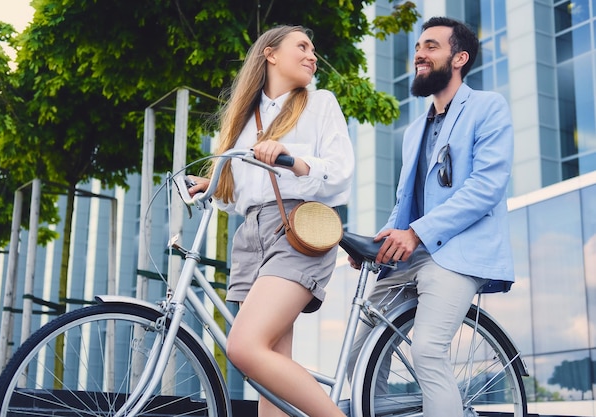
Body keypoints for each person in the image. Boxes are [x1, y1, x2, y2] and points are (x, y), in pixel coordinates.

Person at [346, 16, 514, 416]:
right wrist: (380, 241)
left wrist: (416, 234)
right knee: (359, 354)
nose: (420, 54)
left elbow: (485, 187)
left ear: (460, 58)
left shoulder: (488, 107)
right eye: (419, 47)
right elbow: (408, 201)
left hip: (457, 254)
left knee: (427, 349)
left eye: (431, 47)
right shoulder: (413, 131)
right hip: (413, 254)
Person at [188, 25, 354, 417]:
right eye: (303, 46)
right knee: (267, 372)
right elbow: (241, 194)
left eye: (313, 48)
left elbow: (341, 172)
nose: (313, 55)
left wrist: (291, 157)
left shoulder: (320, 102)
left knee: (244, 347)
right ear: (271, 54)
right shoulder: (243, 118)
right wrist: (212, 184)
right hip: (251, 236)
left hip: (297, 229)